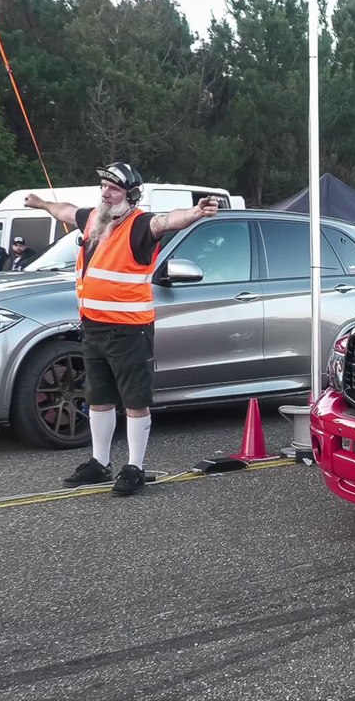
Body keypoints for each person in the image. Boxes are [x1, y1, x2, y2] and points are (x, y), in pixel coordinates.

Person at [26, 161, 220, 496]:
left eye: (113, 188)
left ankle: (135, 468)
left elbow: (167, 221)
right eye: (103, 186)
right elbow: (67, 211)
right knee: (98, 399)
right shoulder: (94, 219)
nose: (105, 193)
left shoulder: (141, 224)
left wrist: (196, 213)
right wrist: (42, 204)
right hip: (94, 328)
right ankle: (99, 463)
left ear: (130, 195)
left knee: (134, 401)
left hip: (129, 330)